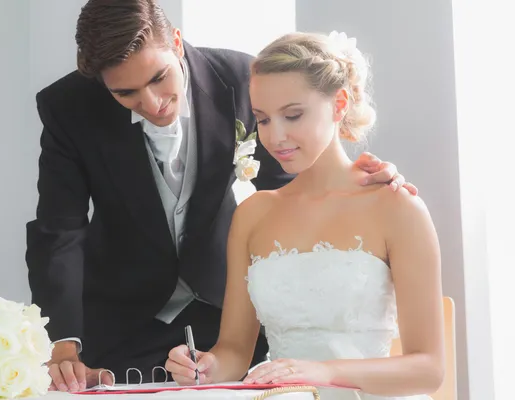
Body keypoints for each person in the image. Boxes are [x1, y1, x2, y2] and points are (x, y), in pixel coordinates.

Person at [26, 0, 417, 392]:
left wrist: (356, 182)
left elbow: (292, 185)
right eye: (126, 93)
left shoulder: (243, 79)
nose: (151, 103)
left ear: (176, 43)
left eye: (159, 78)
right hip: (122, 319)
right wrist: (63, 341)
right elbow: (59, 231)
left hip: (226, 316)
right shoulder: (69, 107)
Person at [165, 31, 444, 400]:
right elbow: (234, 351)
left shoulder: (397, 207)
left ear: (339, 104)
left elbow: (429, 369)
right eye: (262, 120)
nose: (276, 136)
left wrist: (323, 373)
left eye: (293, 115)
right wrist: (203, 366)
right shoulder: (253, 215)